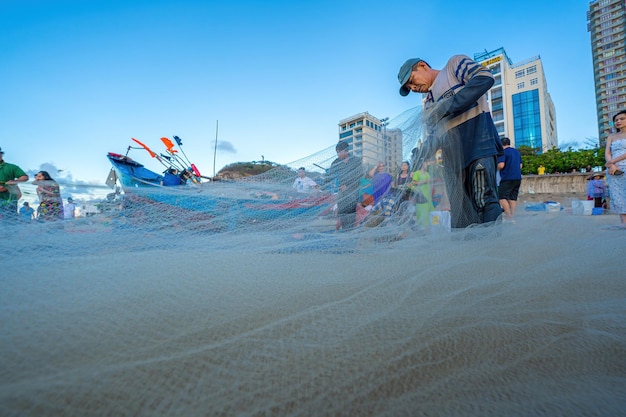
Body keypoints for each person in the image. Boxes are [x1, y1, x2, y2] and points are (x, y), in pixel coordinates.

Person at [398, 55, 503, 229]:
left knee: (484, 199)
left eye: (411, 80)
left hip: (479, 144)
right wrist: (420, 155)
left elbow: (485, 77)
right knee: (460, 213)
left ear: (423, 66)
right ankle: (466, 253)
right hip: (452, 160)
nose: (413, 87)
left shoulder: (454, 66)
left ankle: (490, 251)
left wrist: (448, 106)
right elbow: (435, 137)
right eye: (409, 87)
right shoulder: (429, 103)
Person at [325, 141, 363, 230]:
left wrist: (348, 186)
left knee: (351, 216)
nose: (338, 154)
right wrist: (321, 185)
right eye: (337, 152)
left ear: (346, 151)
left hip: (353, 192)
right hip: (342, 194)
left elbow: (359, 175)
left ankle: (349, 233)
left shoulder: (356, 160)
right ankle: (345, 234)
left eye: (339, 152)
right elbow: (329, 176)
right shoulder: (336, 162)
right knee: (342, 215)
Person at [605, 109, 626, 226]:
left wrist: (612, 161)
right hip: (613, 169)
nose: (618, 121)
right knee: (618, 195)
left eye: (622, 119)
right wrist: (611, 164)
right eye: (616, 120)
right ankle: (623, 223)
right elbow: (607, 152)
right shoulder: (611, 136)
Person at [0, 147, 29, 222]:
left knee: (9, 224)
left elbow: (25, 177)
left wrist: (13, 182)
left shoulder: (11, 167)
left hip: (9, 203)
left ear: (1, 154)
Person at [497, 137, 523, 221]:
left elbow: (501, 165)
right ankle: (513, 217)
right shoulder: (517, 152)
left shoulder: (503, 152)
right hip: (518, 178)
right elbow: (520, 166)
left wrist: (495, 167)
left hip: (507, 178)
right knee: (512, 198)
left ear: (501, 145)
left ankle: (508, 216)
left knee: (501, 197)